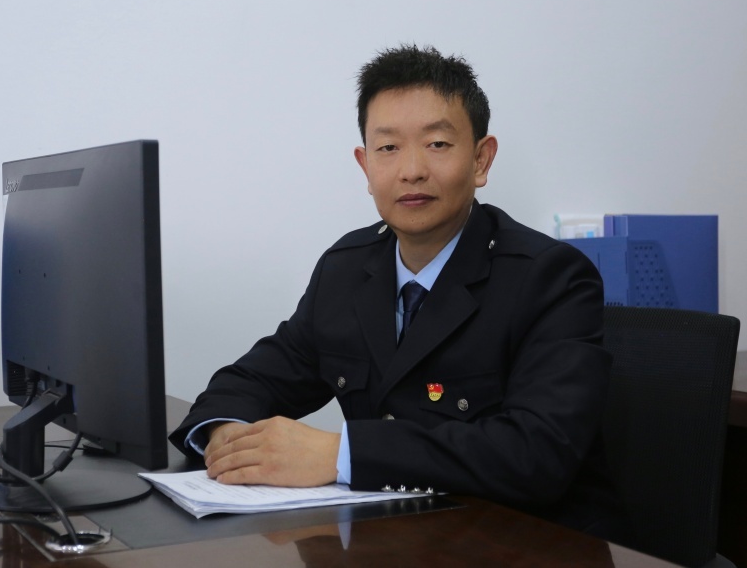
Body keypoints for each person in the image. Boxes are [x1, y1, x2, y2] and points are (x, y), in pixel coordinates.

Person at [170, 43, 622, 537]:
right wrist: (229, 436)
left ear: (481, 159)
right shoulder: (347, 269)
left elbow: (536, 454)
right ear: (365, 166)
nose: (411, 170)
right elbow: (253, 379)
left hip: (528, 544)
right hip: (395, 539)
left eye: (437, 144)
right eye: (388, 148)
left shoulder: (550, 278)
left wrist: (339, 454)